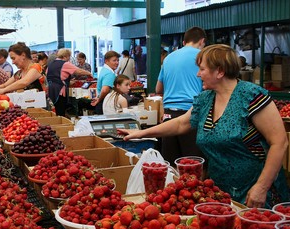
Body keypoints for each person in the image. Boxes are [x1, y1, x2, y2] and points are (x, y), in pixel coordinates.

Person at [119, 44, 289, 208]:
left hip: (255, 193)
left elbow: (279, 142)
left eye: (202, 69)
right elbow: (180, 124)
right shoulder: (206, 99)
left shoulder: (251, 96)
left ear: (220, 71)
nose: (198, 74)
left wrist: (262, 187)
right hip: (220, 192)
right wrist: (140, 133)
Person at [155, 26, 207, 164]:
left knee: (171, 165)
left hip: (169, 116)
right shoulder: (203, 57)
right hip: (192, 113)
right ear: (202, 41)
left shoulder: (168, 58)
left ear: (184, 42)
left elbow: (158, 88)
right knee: (193, 165)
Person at [47, 48, 92, 117]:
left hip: (51, 90)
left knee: (54, 110)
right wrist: (89, 73)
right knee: (61, 111)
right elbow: (78, 71)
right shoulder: (64, 63)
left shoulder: (51, 64)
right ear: (65, 56)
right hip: (60, 90)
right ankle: (62, 126)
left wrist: (68, 82)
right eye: (69, 56)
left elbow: (53, 76)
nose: (69, 59)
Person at [91, 50, 120, 115]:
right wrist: (99, 99)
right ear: (106, 61)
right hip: (104, 103)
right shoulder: (109, 74)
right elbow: (105, 90)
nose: (117, 63)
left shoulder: (104, 70)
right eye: (114, 60)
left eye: (118, 60)